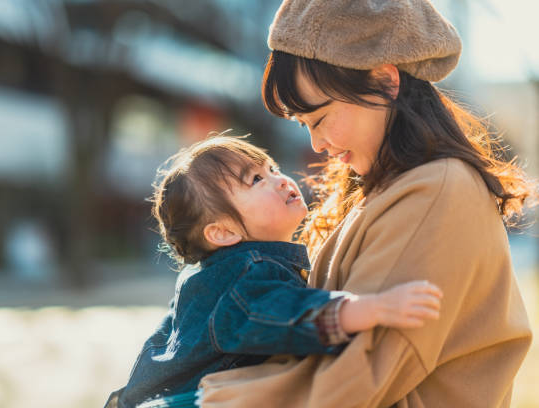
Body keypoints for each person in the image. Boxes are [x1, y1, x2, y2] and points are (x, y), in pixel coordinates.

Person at [196, 1, 537, 407]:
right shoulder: (384, 188)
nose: (316, 144)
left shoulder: (436, 191)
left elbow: (353, 381)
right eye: (303, 126)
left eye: (319, 119)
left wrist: (202, 399)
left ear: (385, 81)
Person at [105, 136, 443, 408]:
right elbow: (283, 314)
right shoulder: (248, 274)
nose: (279, 180)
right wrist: (372, 308)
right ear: (223, 233)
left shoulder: (204, 279)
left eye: (272, 168)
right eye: (255, 180)